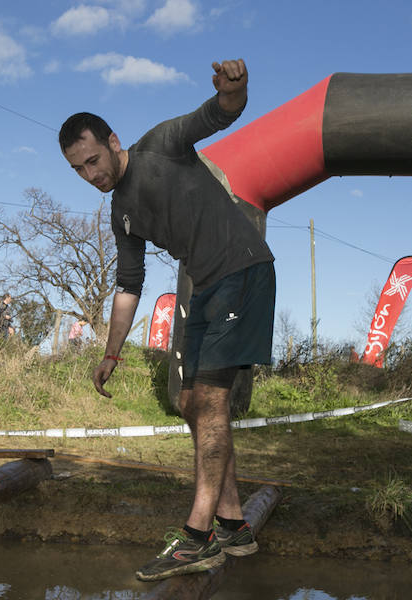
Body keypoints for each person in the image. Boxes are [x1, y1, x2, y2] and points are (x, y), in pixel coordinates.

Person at [60, 58, 273, 581]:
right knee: (188, 401)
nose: (92, 176)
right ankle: (233, 525)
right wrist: (111, 351)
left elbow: (220, 114)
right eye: (80, 170)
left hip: (242, 270)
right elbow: (129, 286)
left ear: (112, 140)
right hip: (204, 287)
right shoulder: (120, 213)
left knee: (211, 399)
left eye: (93, 160)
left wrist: (235, 91)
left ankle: (198, 536)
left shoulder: (162, 143)